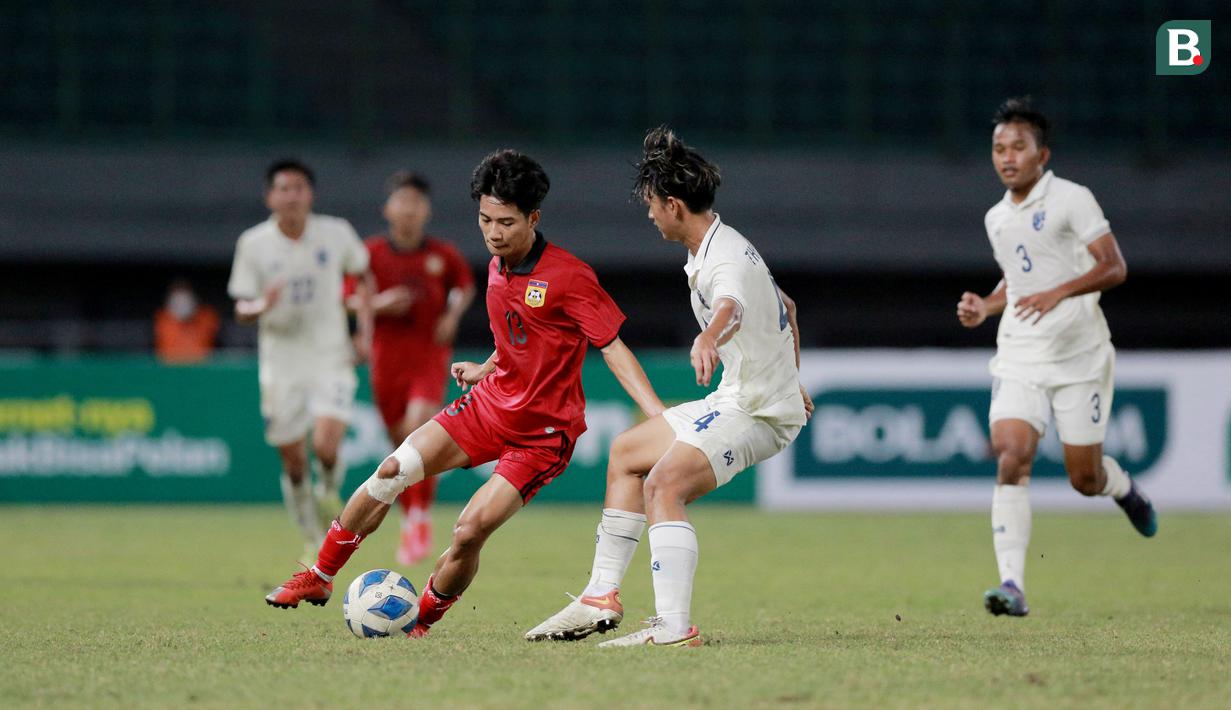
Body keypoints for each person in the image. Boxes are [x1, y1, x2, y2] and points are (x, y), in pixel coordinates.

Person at [265, 149, 665, 640]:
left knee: (468, 531)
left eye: (506, 222)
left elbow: (613, 347)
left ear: (534, 218)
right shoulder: (498, 266)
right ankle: (320, 575)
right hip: (487, 407)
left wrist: (656, 414)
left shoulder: (569, 276)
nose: (494, 233)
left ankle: (419, 625)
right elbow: (520, 335)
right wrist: (486, 367)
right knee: (390, 471)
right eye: (485, 219)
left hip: (541, 436)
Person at [525, 127, 813, 647]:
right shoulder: (719, 244)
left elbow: (733, 309)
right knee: (627, 452)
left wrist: (708, 337)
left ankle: (674, 628)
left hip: (760, 413)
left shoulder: (723, 259)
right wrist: (793, 377)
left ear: (674, 206)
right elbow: (786, 306)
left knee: (663, 485)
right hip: (742, 398)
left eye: (652, 205)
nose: (650, 214)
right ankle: (599, 595)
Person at [955, 98, 1157, 618]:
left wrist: (1059, 292)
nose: (1007, 157)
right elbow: (1017, 280)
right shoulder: (996, 217)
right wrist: (986, 306)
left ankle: (1122, 488)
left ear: (1041, 155)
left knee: (1084, 480)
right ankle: (1012, 586)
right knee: (1011, 454)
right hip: (1020, 353)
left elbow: (1114, 267)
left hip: (1079, 357)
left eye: (1018, 147)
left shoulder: (1072, 199)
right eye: (999, 148)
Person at [228, 159, 373, 563]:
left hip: (330, 353)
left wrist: (364, 332)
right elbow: (241, 307)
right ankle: (311, 535)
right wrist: (261, 305)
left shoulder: (336, 233)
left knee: (326, 446)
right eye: (284, 188)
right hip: (281, 362)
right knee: (293, 463)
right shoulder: (253, 243)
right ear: (270, 197)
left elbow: (364, 277)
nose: (292, 196)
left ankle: (329, 489)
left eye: (299, 188)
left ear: (311, 194)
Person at [355, 171, 476, 565]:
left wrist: (452, 315)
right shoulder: (369, 253)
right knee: (401, 447)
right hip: (386, 361)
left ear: (427, 211)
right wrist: (379, 305)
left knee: (416, 430)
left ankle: (419, 518)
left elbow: (465, 286)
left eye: (416, 203)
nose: (409, 209)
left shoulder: (443, 254)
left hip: (428, 357)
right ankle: (412, 517)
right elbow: (349, 297)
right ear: (387, 209)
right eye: (402, 201)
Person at [154, 278, 219, 363]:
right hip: (169, 368)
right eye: (177, 297)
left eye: (185, 295)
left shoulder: (207, 318)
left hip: (201, 367)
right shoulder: (161, 321)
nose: (182, 301)